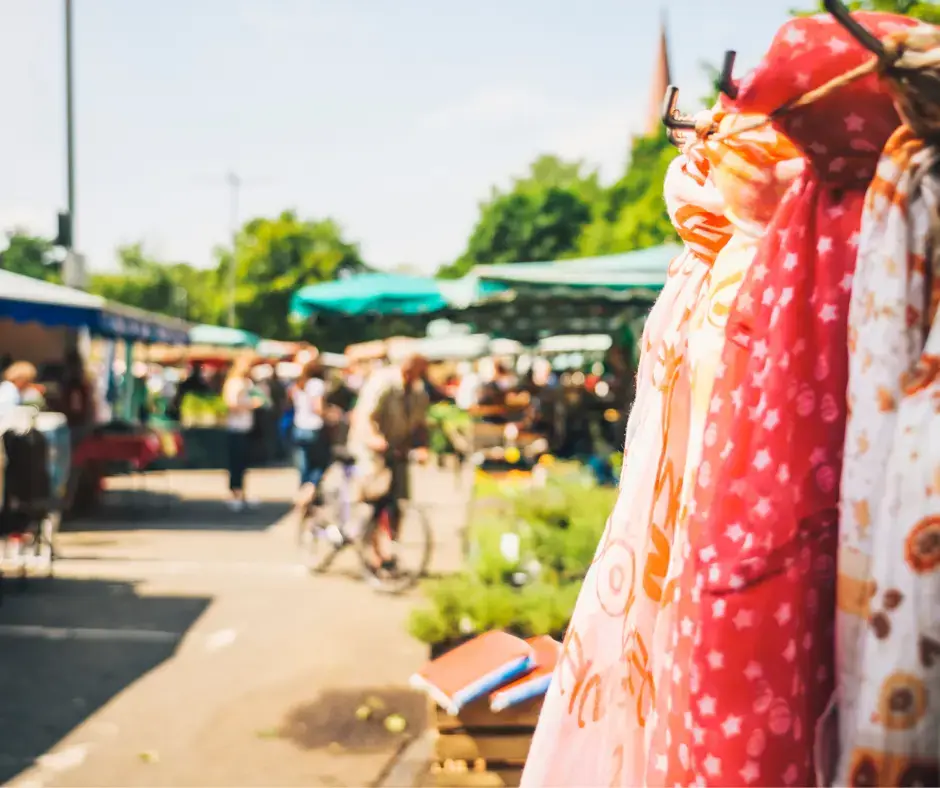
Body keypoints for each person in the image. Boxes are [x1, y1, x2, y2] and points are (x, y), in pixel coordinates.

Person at [347, 353, 430, 577]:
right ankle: (371, 549)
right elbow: (365, 415)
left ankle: (390, 547)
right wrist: (374, 438)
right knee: (375, 496)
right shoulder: (383, 382)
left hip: (397, 448)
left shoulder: (418, 392)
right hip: (371, 447)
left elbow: (420, 424)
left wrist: (422, 447)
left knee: (399, 499)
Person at [222, 357, 262, 511]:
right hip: (236, 427)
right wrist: (250, 404)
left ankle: (241, 493)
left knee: (243, 463)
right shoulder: (234, 383)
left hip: (244, 427)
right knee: (236, 463)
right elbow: (231, 404)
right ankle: (235, 494)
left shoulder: (245, 382)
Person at [291, 356, 330, 513]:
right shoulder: (316, 384)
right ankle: (310, 490)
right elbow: (317, 408)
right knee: (320, 463)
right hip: (314, 427)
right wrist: (330, 414)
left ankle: (303, 493)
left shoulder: (300, 384)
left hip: (299, 426)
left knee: (304, 464)